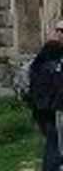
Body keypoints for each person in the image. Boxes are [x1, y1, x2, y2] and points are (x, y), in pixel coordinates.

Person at [29, 21, 63, 171]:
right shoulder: (48, 56)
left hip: (51, 110)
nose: (59, 34)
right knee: (54, 149)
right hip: (53, 111)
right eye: (58, 31)